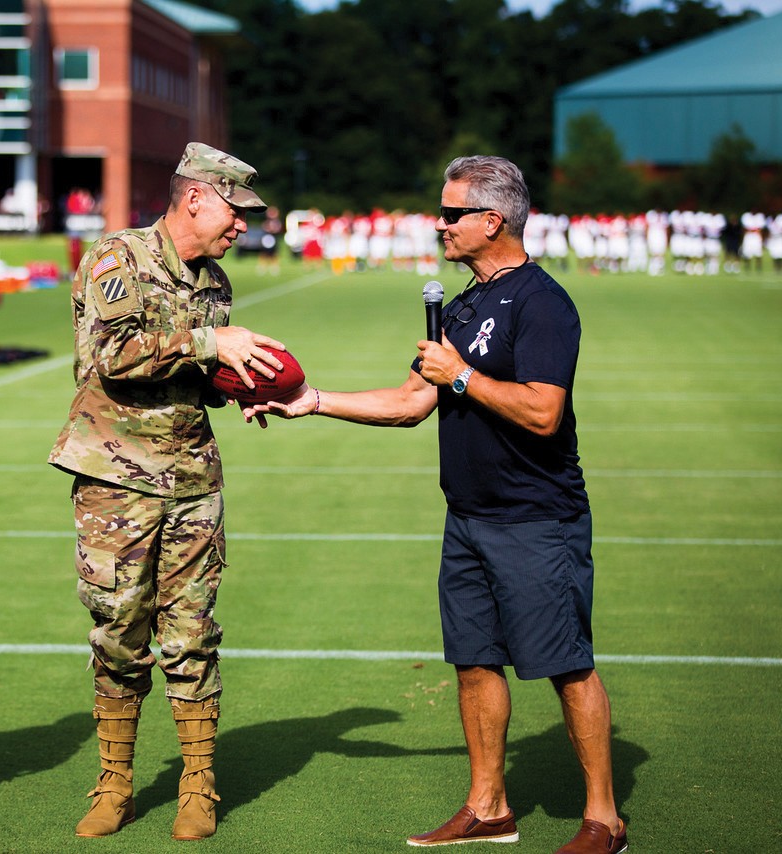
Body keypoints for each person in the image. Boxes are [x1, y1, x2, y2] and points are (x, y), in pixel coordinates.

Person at [246, 156, 627, 854]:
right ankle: (489, 808)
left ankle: (604, 819)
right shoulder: (461, 306)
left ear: (494, 219)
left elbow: (544, 413)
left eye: (452, 213)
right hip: (469, 518)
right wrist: (314, 401)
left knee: (566, 663)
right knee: (475, 661)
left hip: (536, 519)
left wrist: (463, 376)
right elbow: (409, 403)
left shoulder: (545, 303)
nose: (440, 224)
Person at [48, 141, 286, 842]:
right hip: (116, 481)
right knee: (119, 633)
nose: (243, 225)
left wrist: (238, 387)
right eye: (235, 211)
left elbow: (189, 369)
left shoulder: (213, 281)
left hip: (190, 480)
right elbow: (116, 356)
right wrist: (215, 347)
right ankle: (116, 784)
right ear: (194, 199)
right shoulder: (116, 259)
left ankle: (198, 785)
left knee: (191, 635)